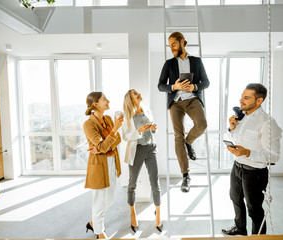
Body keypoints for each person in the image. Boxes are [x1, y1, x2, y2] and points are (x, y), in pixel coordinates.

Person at [221, 83, 282, 236]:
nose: (241, 100)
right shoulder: (242, 117)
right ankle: (240, 228)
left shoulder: (268, 123)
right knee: (235, 198)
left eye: (246, 98)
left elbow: (274, 157)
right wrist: (231, 128)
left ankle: (258, 238)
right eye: (242, 96)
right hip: (237, 167)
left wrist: (248, 152)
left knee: (254, 209)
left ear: (259, 101)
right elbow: (232, 139)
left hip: (255, 173)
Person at [158, 31, 210, 192]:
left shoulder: (196, 61)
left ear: (181, 42)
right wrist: (175, 86)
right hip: (175, 102)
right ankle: (185, 176)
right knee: (177, 136)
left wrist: (194, 86)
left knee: (201, 125)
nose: (171, 48)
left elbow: (206, 82)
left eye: (173, 44)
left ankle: (189, 142)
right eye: (169, 45)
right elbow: (160, 85)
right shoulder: (169, 63)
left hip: (192, 99)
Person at [83, 92, 124, 239]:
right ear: (95, 104)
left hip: (112, 162)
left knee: (110, 199)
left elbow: (117, 140)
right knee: (99, 201)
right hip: (99, 166)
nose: (108, 101)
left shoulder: (107, 119)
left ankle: (94, 222)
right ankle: (99, 233)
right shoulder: (88, 124)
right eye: (104, 99)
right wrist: (112, 133)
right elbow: (104, 145)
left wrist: (103, 146)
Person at [122, 89, 162, 233]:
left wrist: (153, 129)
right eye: (135, 94)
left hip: (151, 147)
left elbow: (152, 129)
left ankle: (158, 214)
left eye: (139, 93)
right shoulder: (127, 116)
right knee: (132, 184)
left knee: (155, 182)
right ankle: (133, 214)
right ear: (130, 99)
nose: (139, 94)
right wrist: (139, 130)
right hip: (137, 150)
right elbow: (125, 136)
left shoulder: (147, 110)